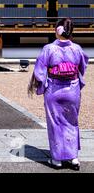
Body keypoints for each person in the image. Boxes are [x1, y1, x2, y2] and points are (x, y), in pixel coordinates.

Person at [30, 18, 89, 171]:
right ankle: (73, 157)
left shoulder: (49, 48)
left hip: (54, 90)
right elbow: (82, 67)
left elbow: (40, 71)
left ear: (57, 30)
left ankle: (57, 159)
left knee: (55, 123)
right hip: (72, 89)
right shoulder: (77, 49)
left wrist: (42, 84)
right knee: (71, 121)